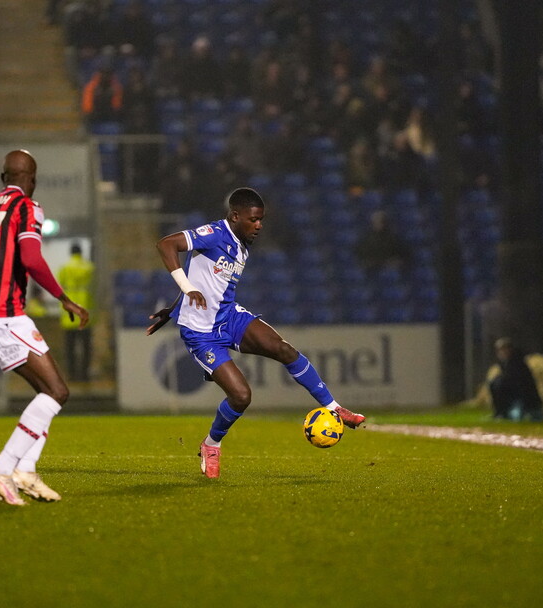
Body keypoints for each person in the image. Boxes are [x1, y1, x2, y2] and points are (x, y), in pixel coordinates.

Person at [147, 187, 366, 479]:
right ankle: (211, 444)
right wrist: (186, 292)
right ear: (235, 216)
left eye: (261, 219)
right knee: (241, 396)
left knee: (283, 349)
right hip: (201, 333)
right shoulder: (214, 233)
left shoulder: (241, 244)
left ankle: (334, 407)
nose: (259, 225)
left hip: (228, 317)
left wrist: (176, 305)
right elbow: (165, 245)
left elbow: (202, 276)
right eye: (253, 219)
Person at [0, 150, 89, 505]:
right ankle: (3, 467)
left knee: (49, 392)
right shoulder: (27, 207)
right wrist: (63, 298)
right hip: (3, 313)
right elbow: (30, 257)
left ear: (2, 177)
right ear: (33, 178)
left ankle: (26, 470)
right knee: (57, 391)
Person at [57, 242, 95, 381]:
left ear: (71, 252)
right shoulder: (90, 268)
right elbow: (95, 289)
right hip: (85, 312)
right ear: (81, 252)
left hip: (69, 314)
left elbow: (59, 287)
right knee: (86, 346)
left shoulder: (64, 268)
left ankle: (72, 374)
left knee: (70, 346)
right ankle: (84, 374)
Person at [488, 338, 543, 421]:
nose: (502, 352)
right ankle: (502, 412)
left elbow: (520, 386)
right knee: (496, 382)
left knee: (517, 416)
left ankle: (505, 413)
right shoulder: (505, 365)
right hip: (517, 401)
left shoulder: (517, 364)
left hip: (526, 402)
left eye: (505, 349)